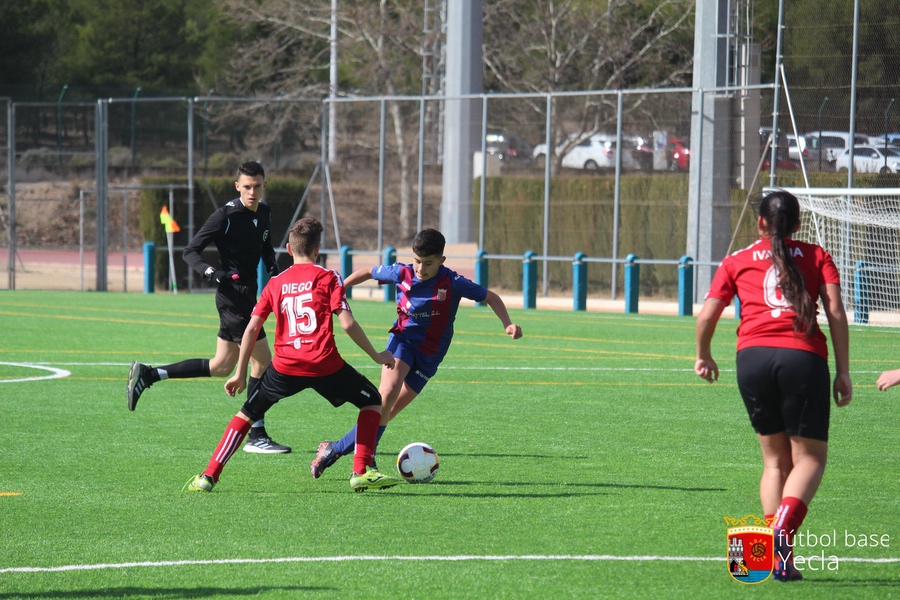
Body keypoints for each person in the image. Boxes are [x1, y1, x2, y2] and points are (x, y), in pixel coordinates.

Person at [694, 190, 852, 582]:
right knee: (809, 458)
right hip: (802, 356)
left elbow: (709, 312)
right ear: (797, 224)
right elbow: (834, 311)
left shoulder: (736, 259)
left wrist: (703, 354)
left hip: (752, 359)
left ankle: (772, 556)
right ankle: (781, 532)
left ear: (760, 223)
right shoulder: (817, 255)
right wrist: (844, 370)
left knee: (774, 461)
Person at [185, 216, 401, 492]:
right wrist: (376, 355)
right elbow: (347, 322)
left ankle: (208, 476)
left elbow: (251, 329)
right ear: (317, 249)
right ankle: (360, 470)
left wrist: (240, 372)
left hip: (285, 367)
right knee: (372, 401)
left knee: (247, 414)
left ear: (288, 249)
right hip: (325, 364)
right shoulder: (328, 276)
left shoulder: (276, 282)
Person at [309, 228, 523, 478]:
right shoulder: (402, 272)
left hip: (431, 355)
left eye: (428, 263)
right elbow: (368, 272)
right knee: (384, 397)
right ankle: (364, 462)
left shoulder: (453, 282)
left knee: (387, 412)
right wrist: (340, 289)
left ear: (442, 261)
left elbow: (491, 297)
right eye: (417, 261)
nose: (421, 268)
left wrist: (507, 323)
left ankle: (334, 448)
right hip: (402, 342)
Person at [126, 161, 290, 454]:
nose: (252, 192)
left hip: (246, 295)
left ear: (264, 185)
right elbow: (190, 252)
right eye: (247, 187)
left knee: (221, 366)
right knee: (263, 361)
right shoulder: (224, 216)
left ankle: (149, 375)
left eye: (257, 186)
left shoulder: (264, 212)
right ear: (237, 186)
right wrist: (210, 272)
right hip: (233, 297)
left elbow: (265, 244)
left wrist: (274, 266)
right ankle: (256, 435)